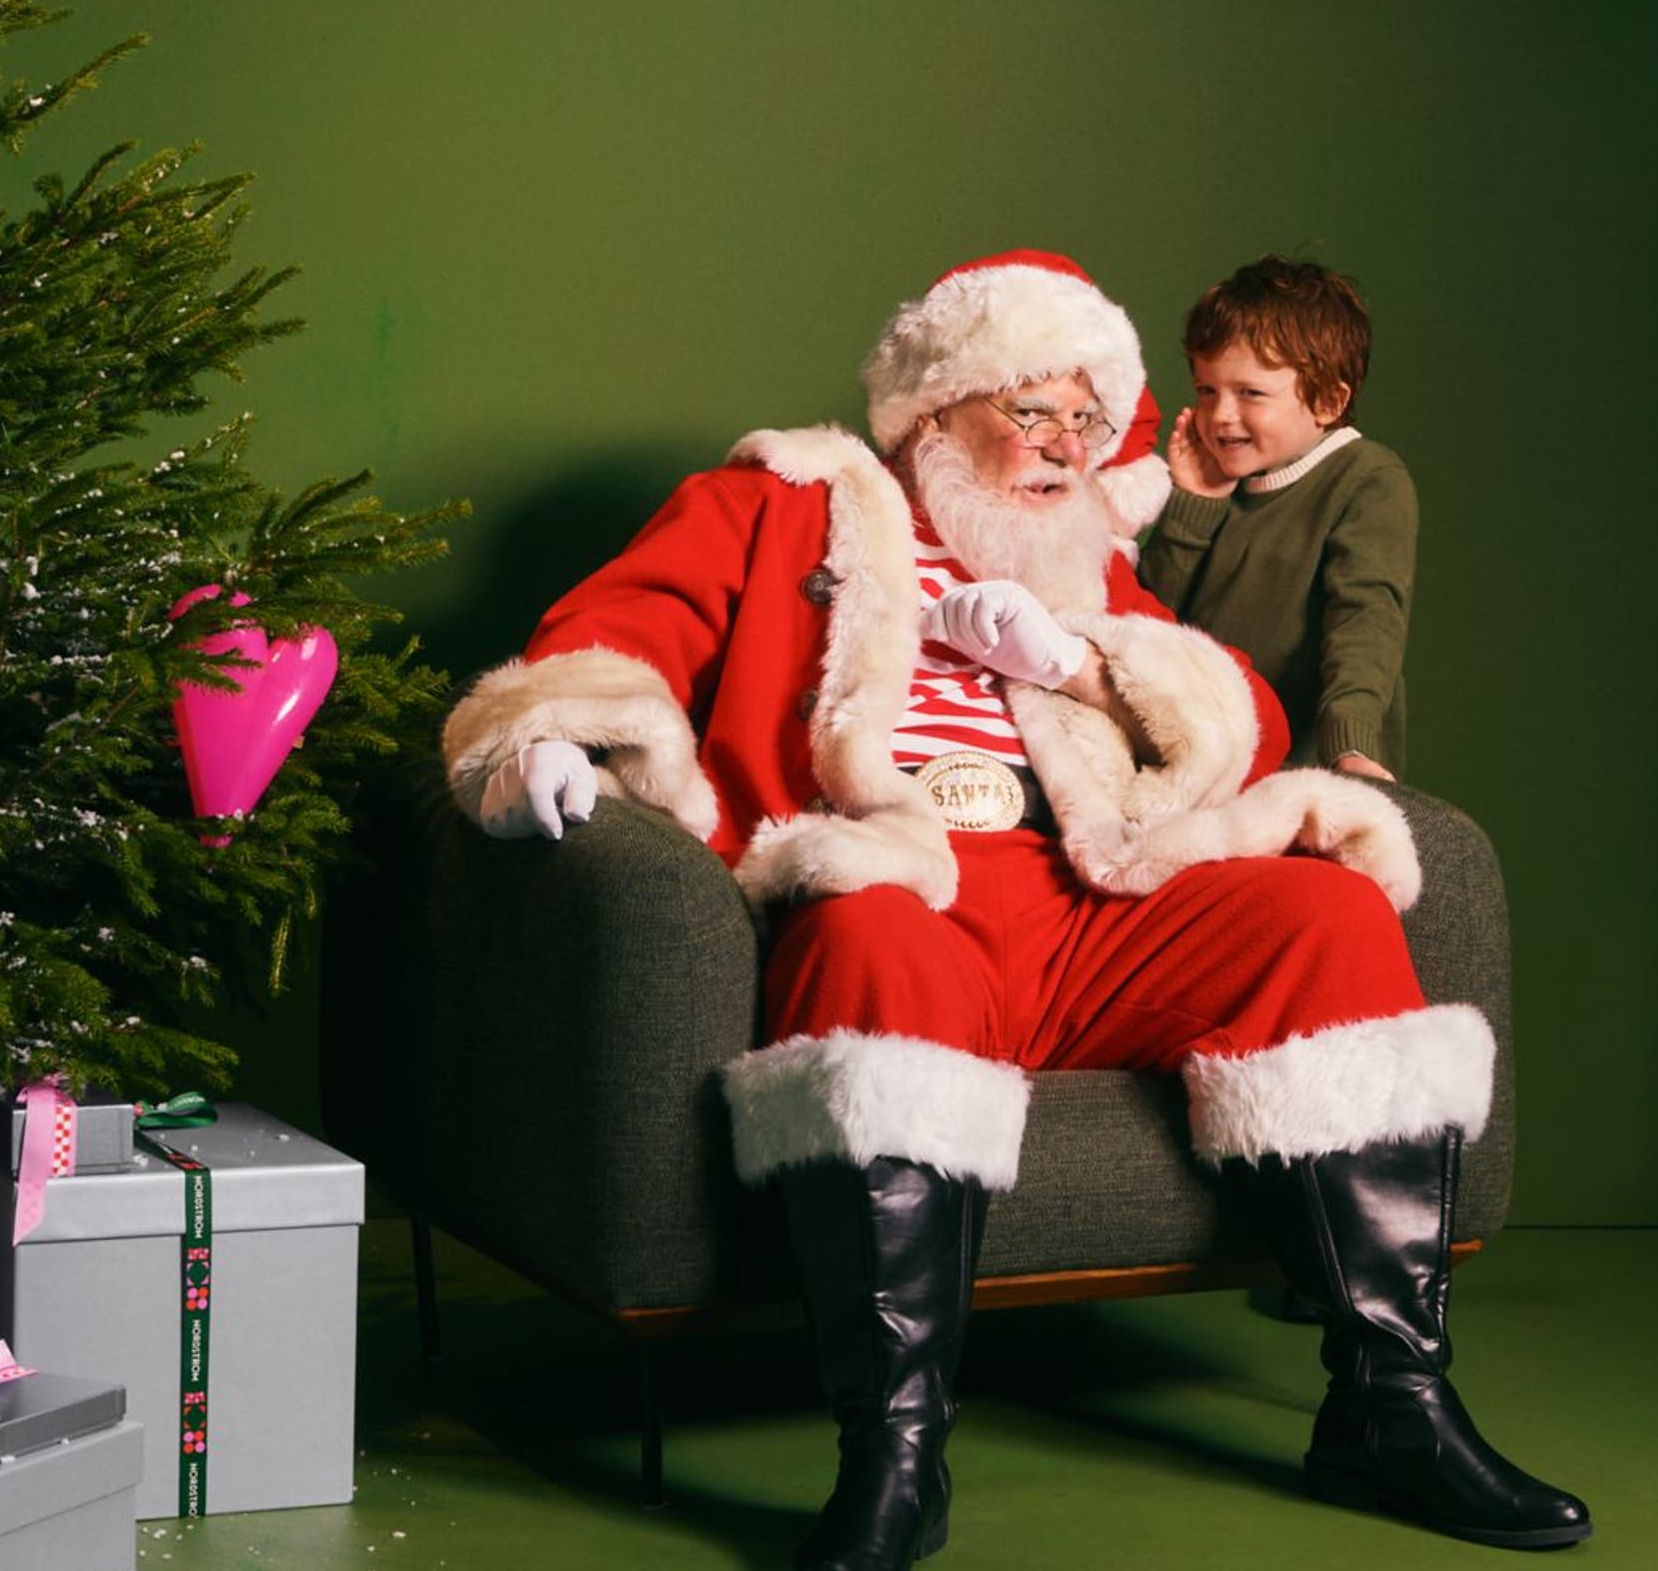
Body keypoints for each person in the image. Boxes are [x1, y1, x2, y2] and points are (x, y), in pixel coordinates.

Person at [441, 250, 1589, 1565]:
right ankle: (896, 1461)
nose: (1064, 447)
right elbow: (621, 625)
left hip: (1083, 897)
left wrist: (1088, 666)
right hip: (906, 882)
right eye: (1030, 412)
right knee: (868, 941)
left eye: (1089, 419)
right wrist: (552, 739)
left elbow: (1248, 725)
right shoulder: (787, 498)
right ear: (940, 407)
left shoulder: (1077, 558)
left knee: (1320, 917)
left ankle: (1392, 1410)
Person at [1140, 256, 1416, 780]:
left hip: (1312, 773)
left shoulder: (1364, 478)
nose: (1220, 415)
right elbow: (1147, 624)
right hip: (1202, 772)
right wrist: (1193, 506)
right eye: (1207, 390)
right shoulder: (1215, 484)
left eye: (1251, 393)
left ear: (1328, 401)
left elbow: (1365, 621)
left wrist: (1351, 748)